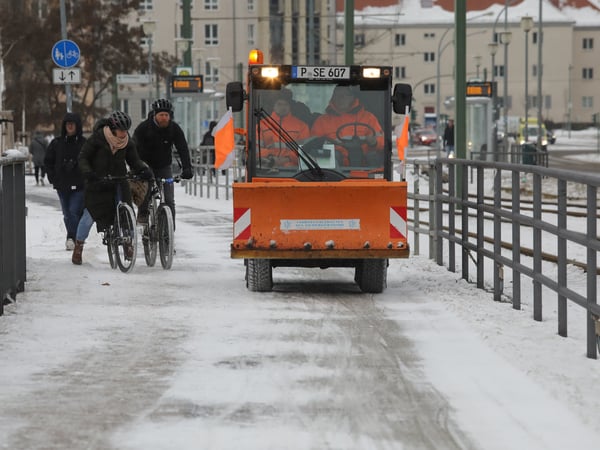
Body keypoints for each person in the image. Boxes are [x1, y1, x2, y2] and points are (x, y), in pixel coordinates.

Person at [71, 111, 152, 265]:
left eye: (126, 130)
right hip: (98, 183)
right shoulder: (97, 139)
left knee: (127, 211)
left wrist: (143, 170)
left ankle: (128, 243)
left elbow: (134, 160)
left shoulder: (127, 142)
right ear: (113, 128)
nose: (124, 133)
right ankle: (79, 246)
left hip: (119, 181)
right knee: (89, 217)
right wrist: (89, 173)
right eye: (121, 130)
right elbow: (83, 158)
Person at [133, 98, 194, 225]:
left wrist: (187, 168)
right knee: (147, 187)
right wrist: (138, 167)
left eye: (167, 115)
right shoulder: (143, 128)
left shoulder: (174, 128)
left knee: (169, 199)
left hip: (164, 165)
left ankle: (169, 231)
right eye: (161, 115)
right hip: (145, 164)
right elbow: (133, 150)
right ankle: (143, 212)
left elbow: (182, 147)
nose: (164, 118)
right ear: (155, 115)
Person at [310, 85, 383, 166]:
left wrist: (374, 142)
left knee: (373, 156)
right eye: (337, 95)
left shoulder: (368, 118)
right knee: (333, 156)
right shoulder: (322, 121)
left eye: (346, 95)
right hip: (334, 170)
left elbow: (382, 141)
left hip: (365, 168)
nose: (341, 98)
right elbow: (312, 145)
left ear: (353, 97)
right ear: (333, 97)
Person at [44, 112, 86, 251]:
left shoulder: (84, 143)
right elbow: (48, 161)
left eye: (72, 123)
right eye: (67, 123)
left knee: (74, 211)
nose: (70, 126)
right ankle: (74, 235)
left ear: (77, 126)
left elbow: (91, 160)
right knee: (67, 214)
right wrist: (53, 177)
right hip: (62, 185)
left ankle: (72, 237)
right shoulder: (57, 143)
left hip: (79, 185)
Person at [259, 89, 310, 167]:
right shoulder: (262, 125)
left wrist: (287, 159)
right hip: (267, 169)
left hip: (293, 170)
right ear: (273, 106)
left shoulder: (302, 126)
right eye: (279, 104)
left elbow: (305, 149)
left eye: (286, 104)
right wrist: (270, 157)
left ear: (290, 106)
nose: (283, 107)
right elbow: (256, 149)